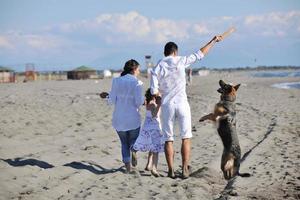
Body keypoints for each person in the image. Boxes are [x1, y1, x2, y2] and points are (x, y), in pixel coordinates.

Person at [150, 35, 223, 179]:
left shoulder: (158, 66)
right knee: (186, 137)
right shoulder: (181, 60)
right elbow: (200, 53)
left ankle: (170, 170)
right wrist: (213, 41)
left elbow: (154, 91)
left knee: (168, 139)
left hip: (167, 105)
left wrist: (160, 95)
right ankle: (184, 168)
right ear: (175, 52)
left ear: (165, 53)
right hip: (182, 104)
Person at [100, 59, 144, 173]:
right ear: (134, 69)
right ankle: (133, 149)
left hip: (119, 119)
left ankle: (128, 168)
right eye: (138, 69)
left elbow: (111, 101)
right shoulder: (137, 83)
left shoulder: (116, 81)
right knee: (134, 140)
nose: (139, 71)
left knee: (124, 143)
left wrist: (107, 96)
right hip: (133, 118)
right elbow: (139, 102)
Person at [133, 88, 164, 177]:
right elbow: (154, 115)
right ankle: (154, 168)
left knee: (151, 145)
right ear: (155, 95)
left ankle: (148, 164)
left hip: (147, 126)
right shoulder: (152, 104)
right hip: (154, 127)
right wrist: (159, 105)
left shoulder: (148, 102)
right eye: (159, 93)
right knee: (156, 148)